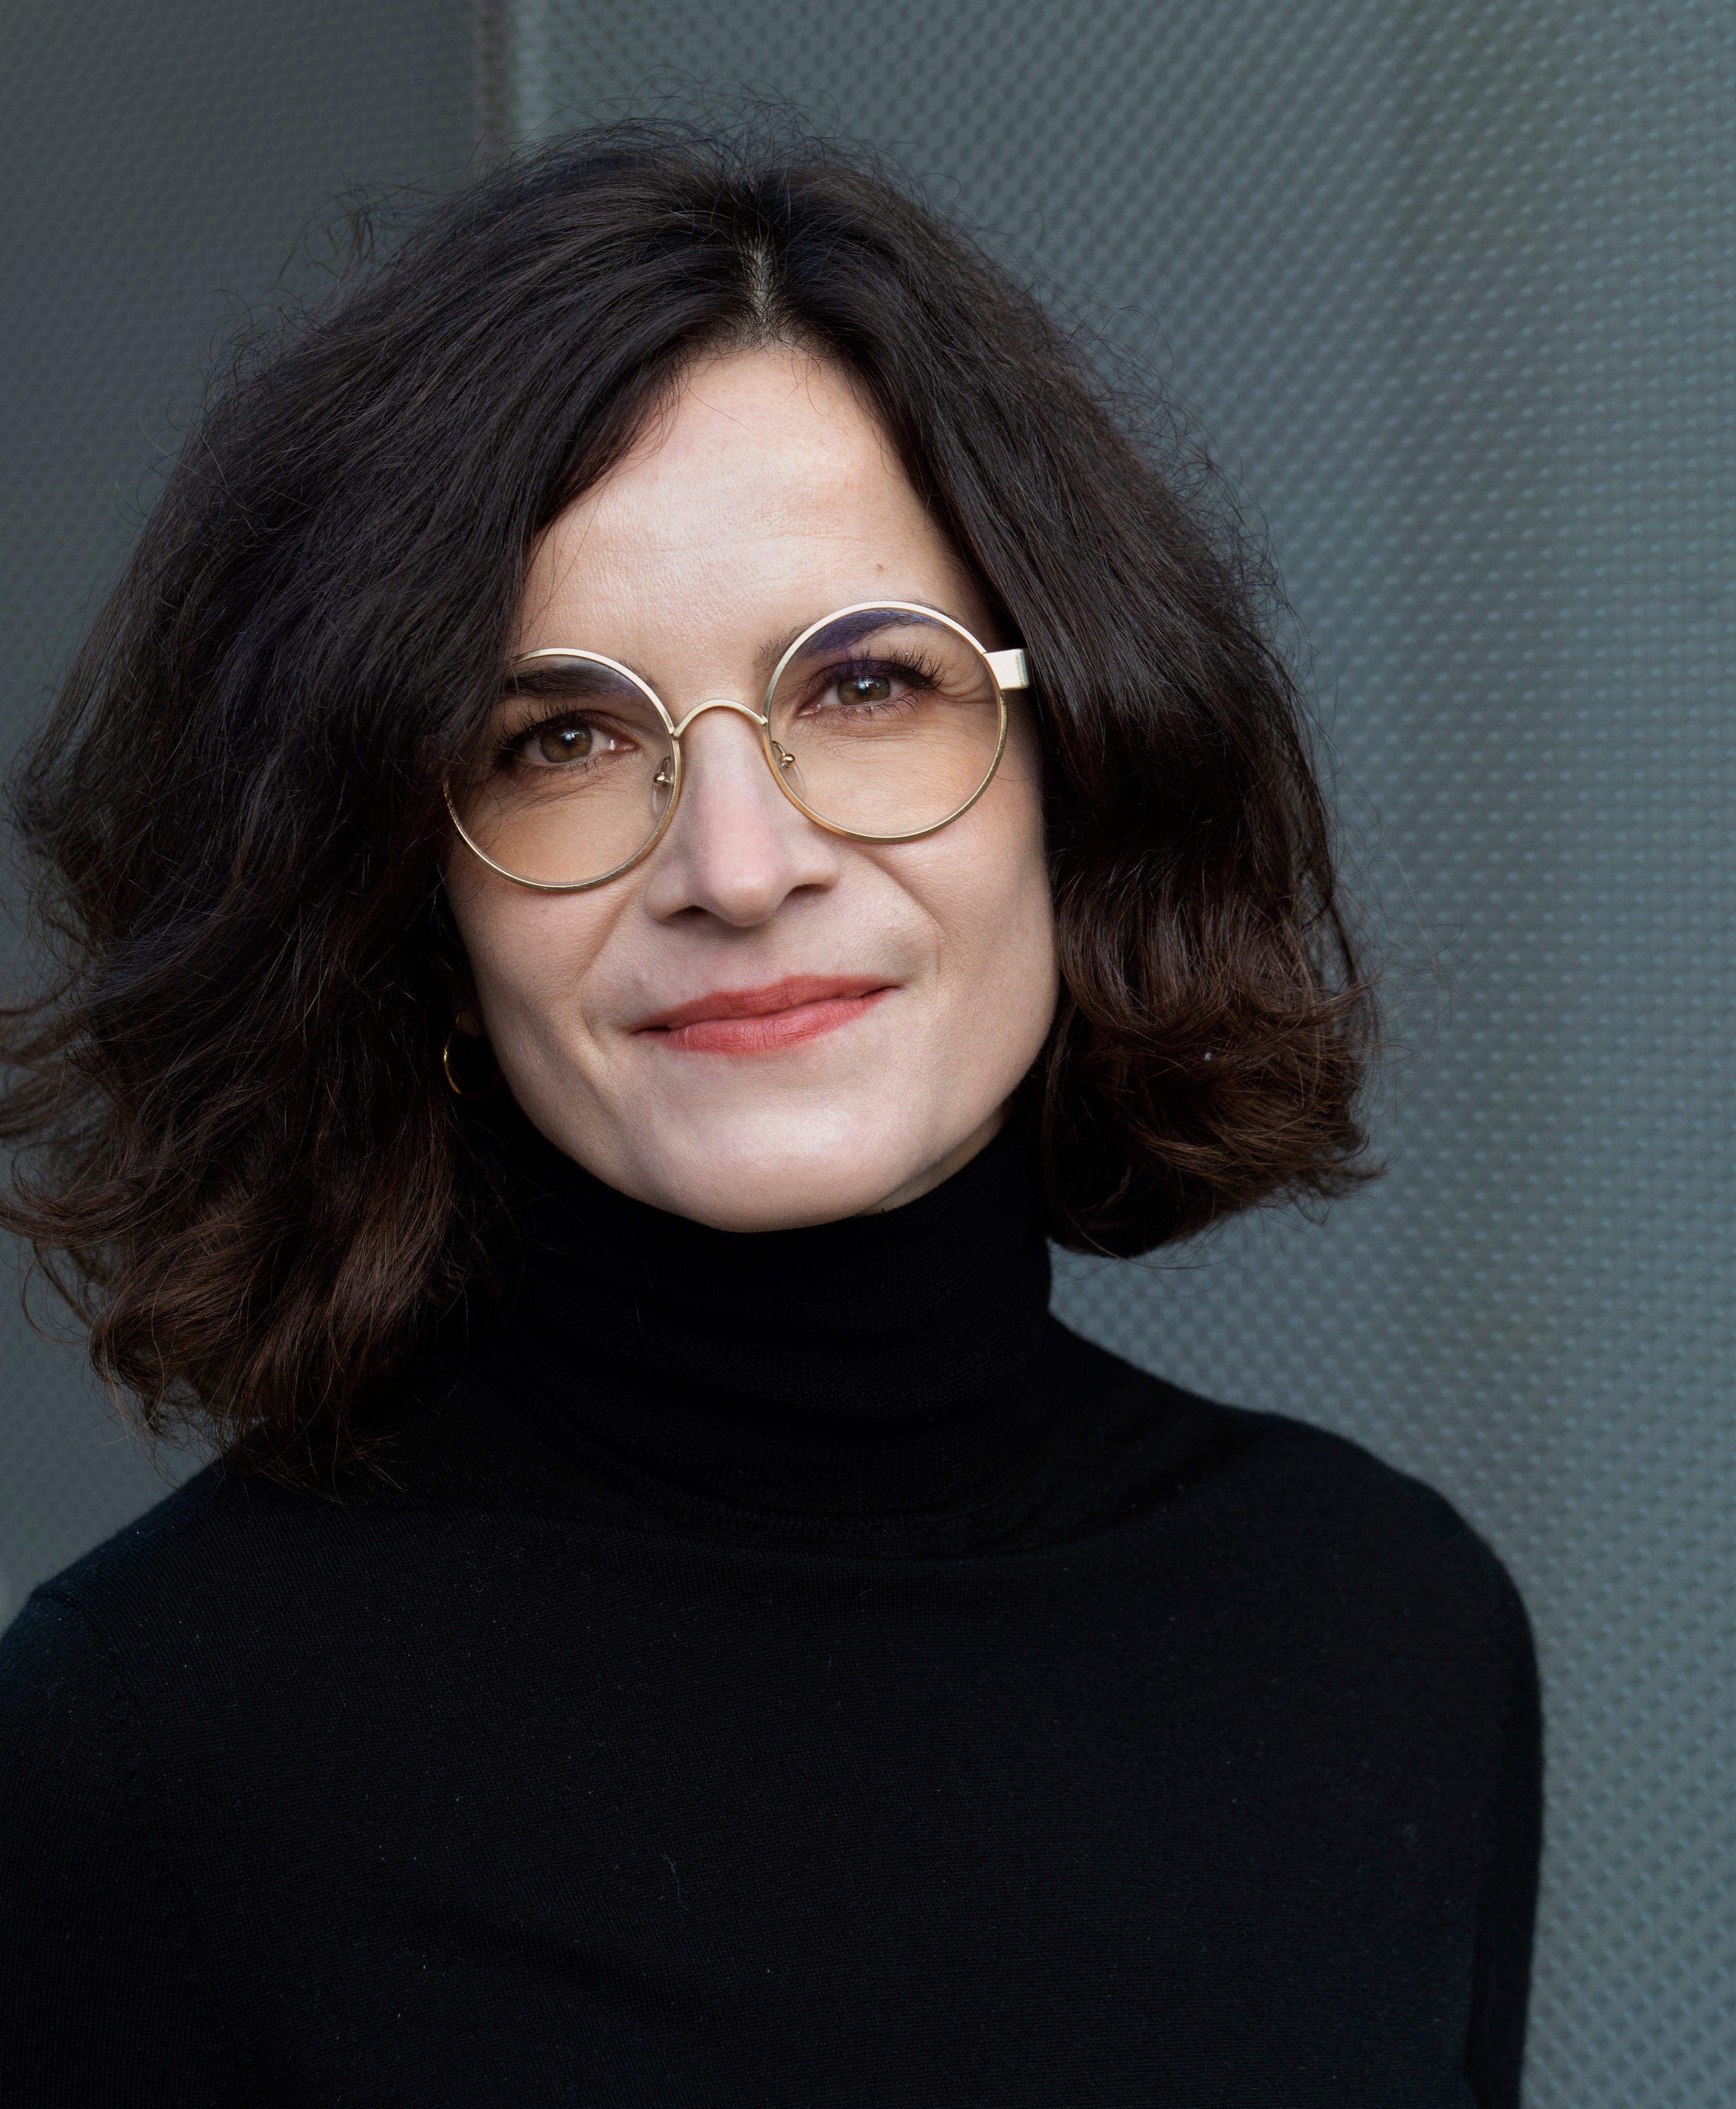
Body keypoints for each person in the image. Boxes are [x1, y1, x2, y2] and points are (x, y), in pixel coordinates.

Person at [0, 127, 1539, 2105]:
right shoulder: (147, 1751)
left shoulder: (1389, 1636)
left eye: (866, 688)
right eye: (560, 737)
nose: (736, 863)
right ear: (408, 903)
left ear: (1080, 767)